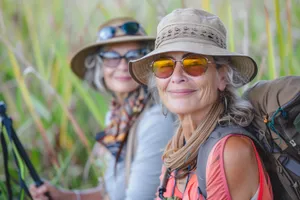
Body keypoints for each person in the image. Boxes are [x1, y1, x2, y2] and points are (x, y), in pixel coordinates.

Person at [129, 8, 273, 200]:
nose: (177, 77)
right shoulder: (176, 150)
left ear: (222, 77)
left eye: (194, 64)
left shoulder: (229, 152)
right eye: (164, 66)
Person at [29, 17, 175, 200]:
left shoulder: (155, 120)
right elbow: (112, 194)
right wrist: (63, 196)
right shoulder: (116, 117)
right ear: (99, 66)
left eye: (133, 56)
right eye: (112, 58)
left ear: (146, 64)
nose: (123, 66)